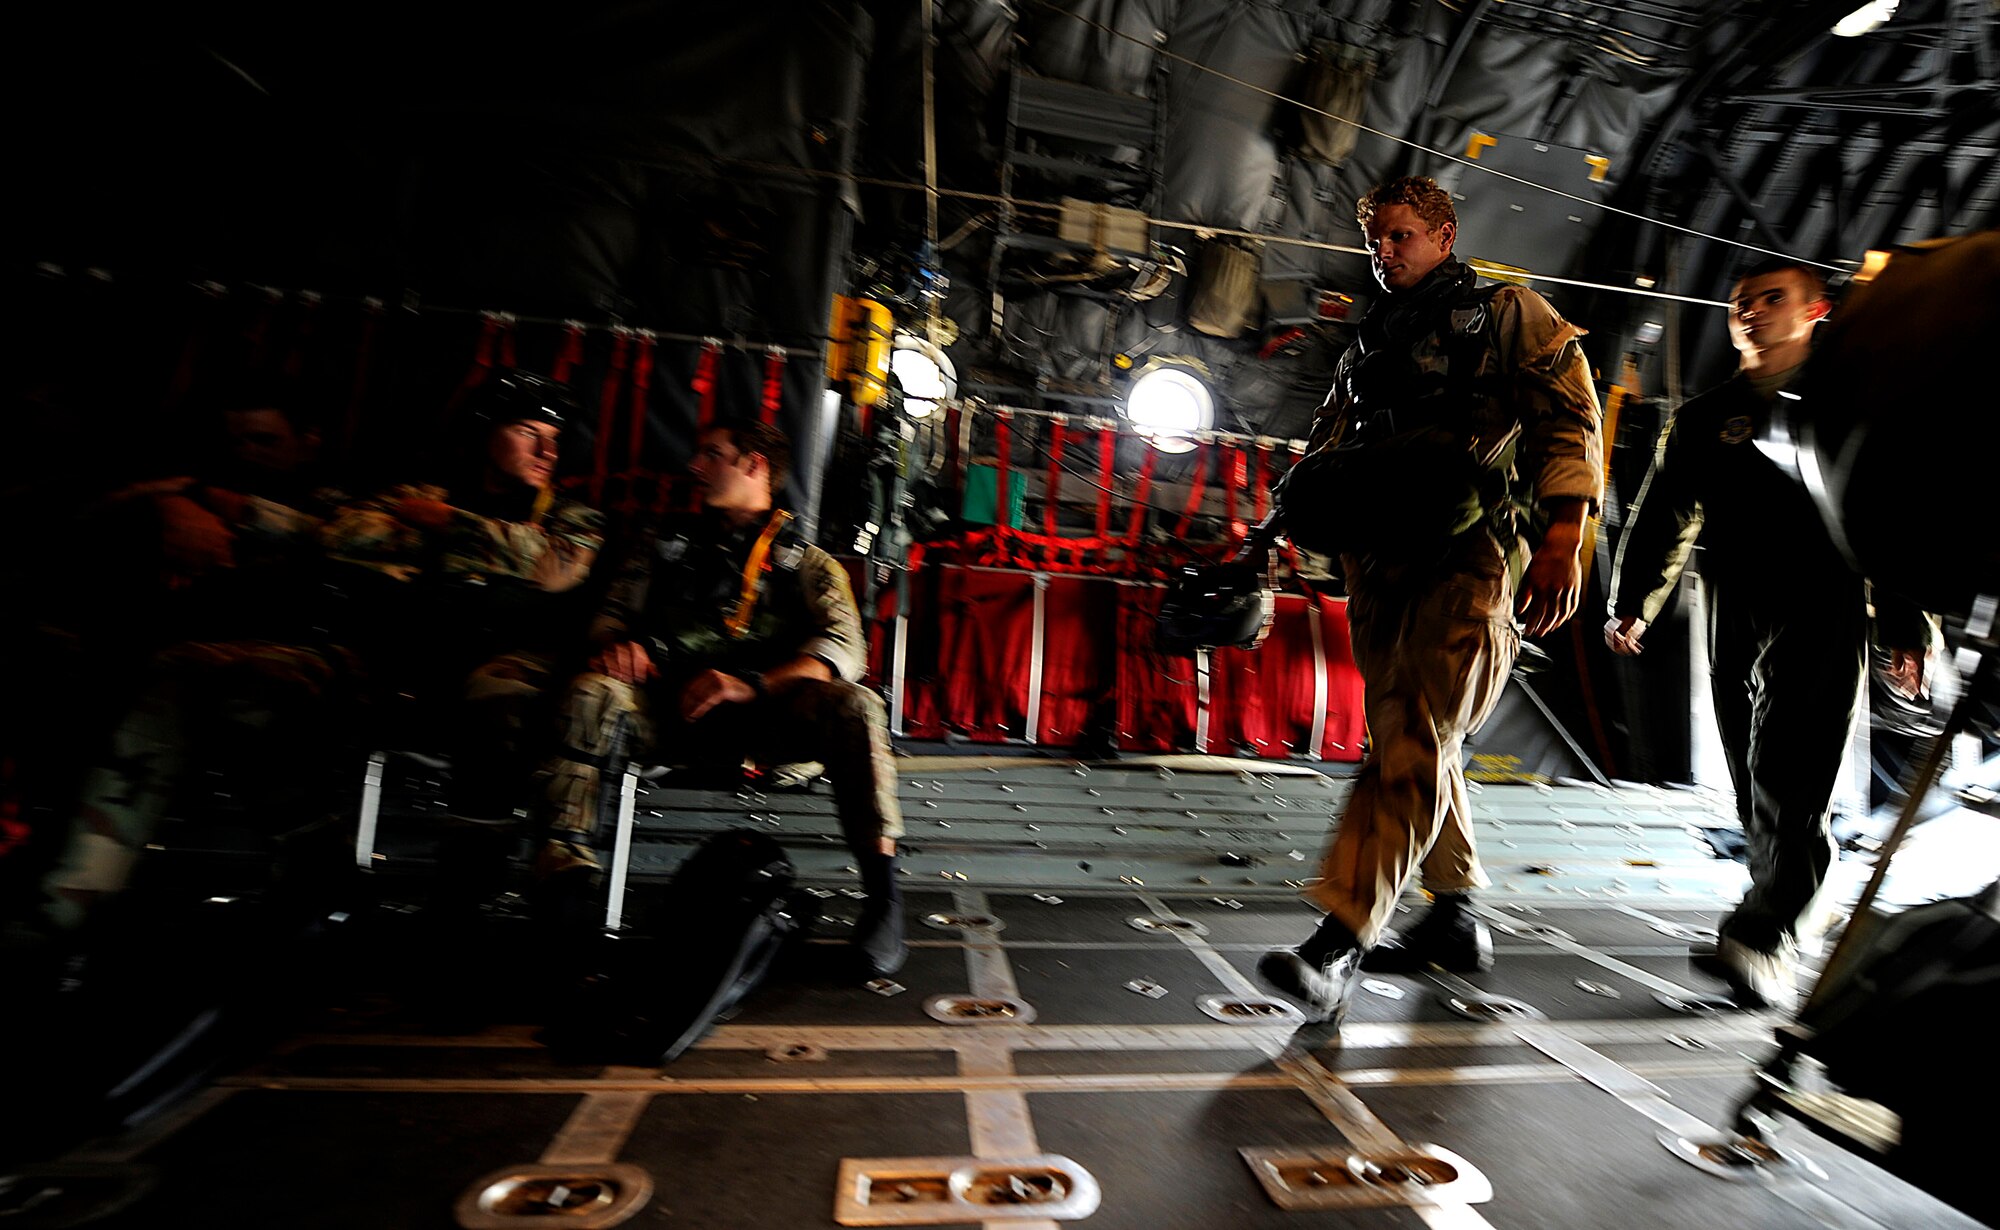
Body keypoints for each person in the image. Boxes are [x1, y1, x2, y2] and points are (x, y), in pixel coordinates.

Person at [1257, 175, 1605, 1025]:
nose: (1385, 252)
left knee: (1414, 732)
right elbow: (1326, 457)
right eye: (1375, 239)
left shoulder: (1506, 315)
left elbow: (1572, 416)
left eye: (1402, 236)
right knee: (1415, 737)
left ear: (1445, 236)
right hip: (1382, 566)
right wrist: (1279, 534)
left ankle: (1338, 940)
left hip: (1475, 556)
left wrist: (1564, 541)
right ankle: (1454, 917)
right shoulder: (1363, 348)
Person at [1606, 257, 1931, 1010]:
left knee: (1793, 770)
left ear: (1816, 311)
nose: (1751, 311)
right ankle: (1772, 919)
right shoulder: (1705, 418)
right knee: (1750, 770)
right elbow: (1664, 515)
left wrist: (1907, 623)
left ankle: (1769, 932)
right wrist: (1634, 601)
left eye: (1771, 299)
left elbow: (1892, 518)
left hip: (1824, 600)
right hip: (1734, 604)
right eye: (1740, 303)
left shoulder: (1851, 405)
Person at [540, 419, 907, 976]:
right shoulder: (659, 547)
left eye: (712, 454)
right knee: (593, 692)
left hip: (768, 722)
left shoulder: (808, 565)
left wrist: (750, 684)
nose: (695, 466)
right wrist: (618, 649)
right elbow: (609, 619)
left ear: (754, 465)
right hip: (667, 711)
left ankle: (884, 902)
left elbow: (842, 651)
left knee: (858, 704)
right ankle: (563, 904)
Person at [25, 381, 356, 939]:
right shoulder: (180, 497)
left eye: (263, 440)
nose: (246, 452)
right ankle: (70, 893)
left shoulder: (340, 507)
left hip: (316, 664)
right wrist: (169, 500)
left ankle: (73, 895)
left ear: (307, 441)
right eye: (236, 439)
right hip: (180, 666)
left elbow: (339, 553)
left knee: (220, 690)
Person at [320, 370, 604, 940]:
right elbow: (342, 535)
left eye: (555, 437)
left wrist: (447, 530)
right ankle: (321, 889)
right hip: (412, 664)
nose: (548, 450)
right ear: (485, 433)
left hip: (510, 678)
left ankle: (466, 895)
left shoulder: (571, 514)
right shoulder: (421, 494)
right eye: (529, 432)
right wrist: (489, 552)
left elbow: (556, 567)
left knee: (497, 697)